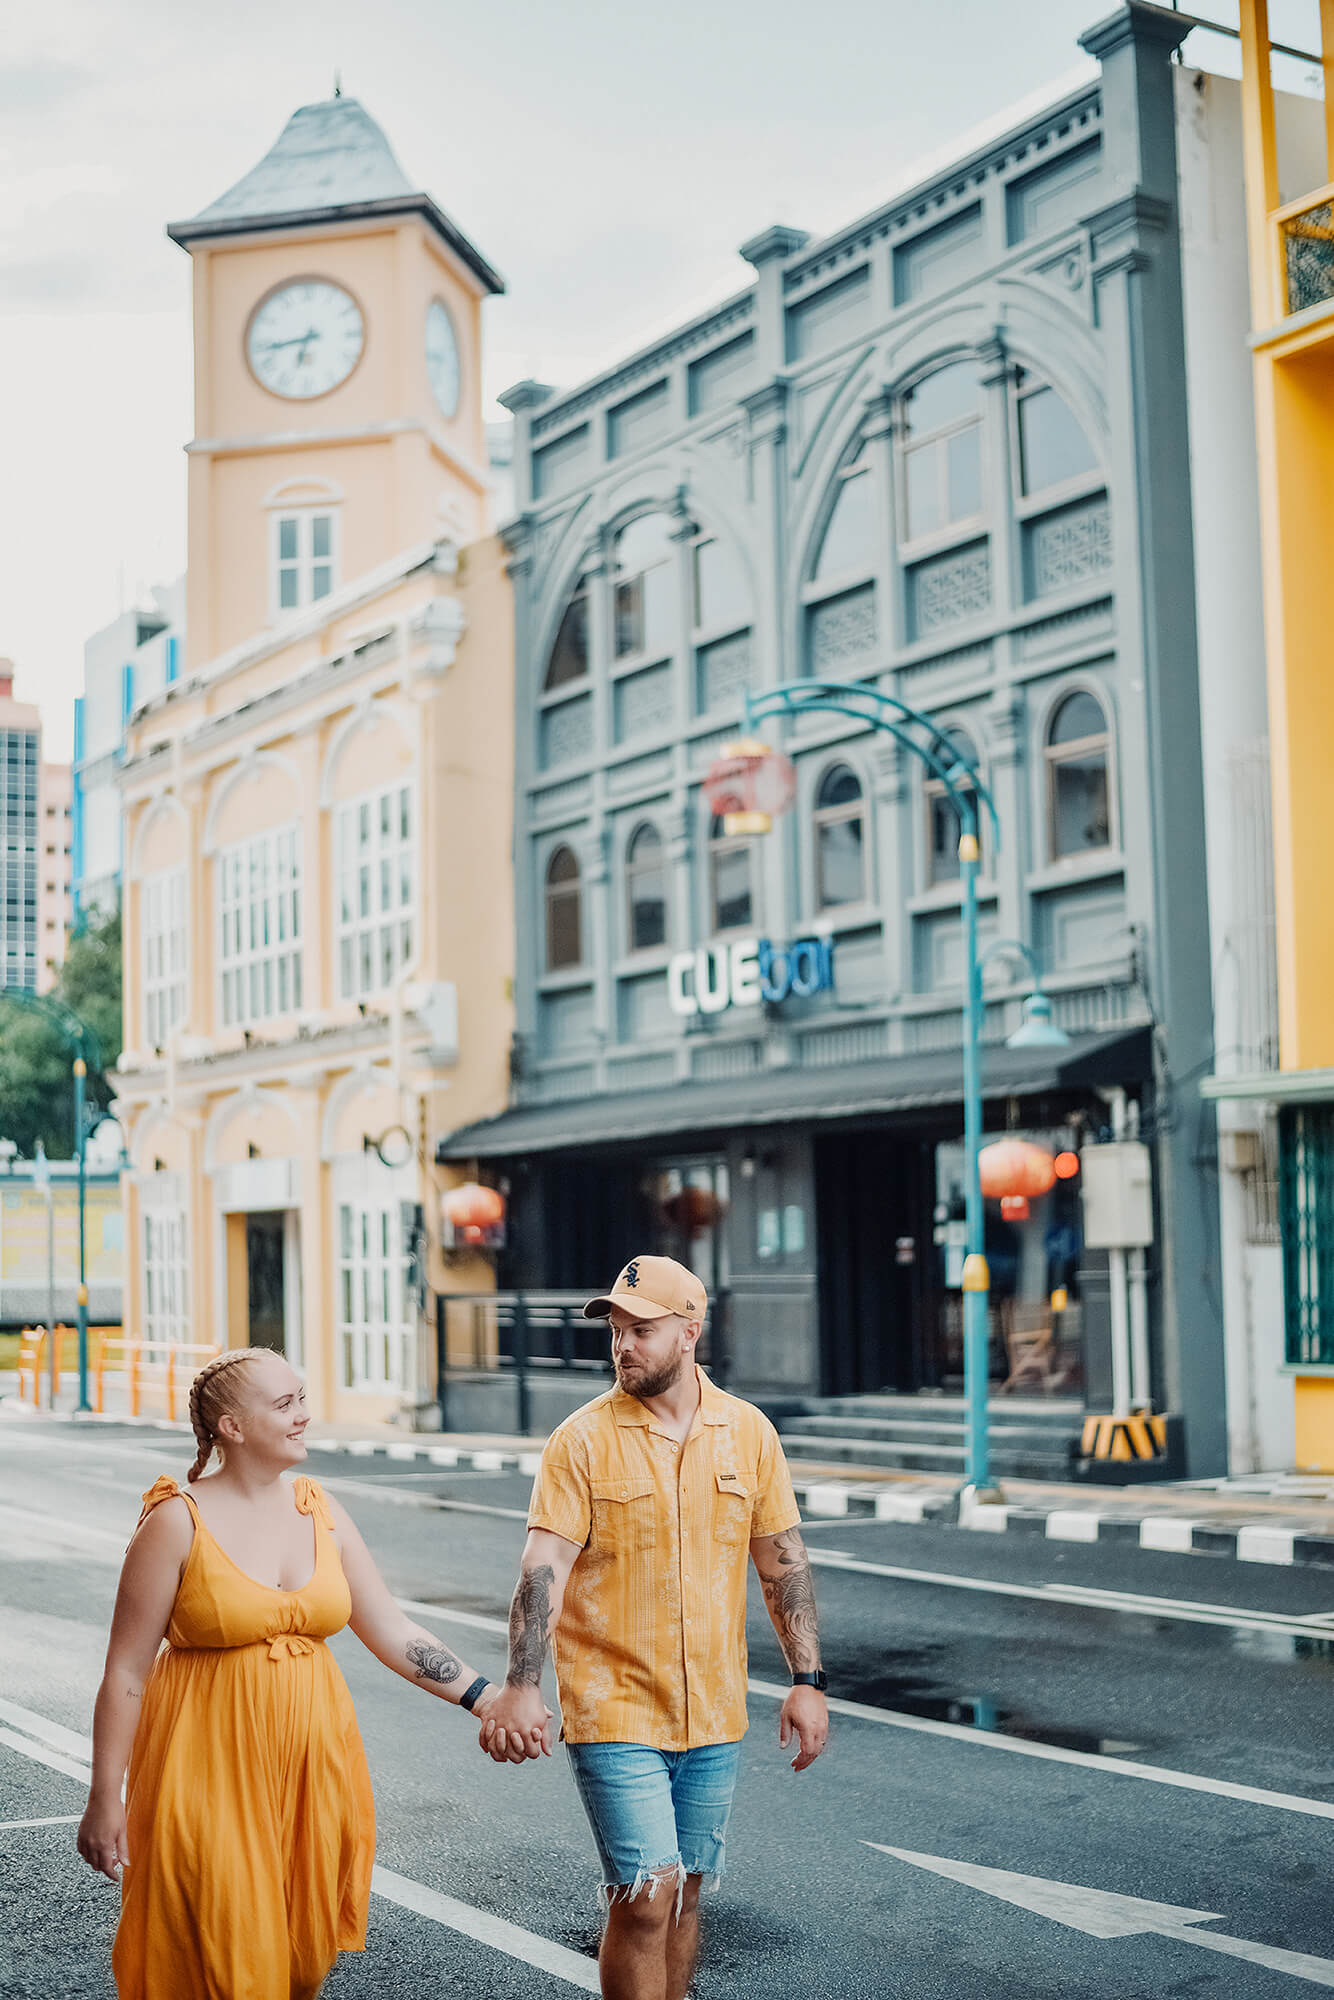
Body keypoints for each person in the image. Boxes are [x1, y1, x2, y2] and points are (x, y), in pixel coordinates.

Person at [76, 1345, 514, 2000]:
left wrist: (485, 1697)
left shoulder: (321, 1510)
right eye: (285, 1404)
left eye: (303, 1398)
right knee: (225, 1957)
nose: (305, 1414)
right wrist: (104, 1795)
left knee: (301, 1963)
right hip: (203, 1767)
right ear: (233, 1426)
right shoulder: (175, 1520)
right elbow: (126, 1674)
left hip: (313, 1774)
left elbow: (391, 1628)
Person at [479, 1255, 830, 2000]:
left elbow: (783, 1564)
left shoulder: (749, 1434)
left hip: (713, 1709)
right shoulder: (581, 1441)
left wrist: (807, 1681)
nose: (623, 1345)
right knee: (643, 1899)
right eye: (617, 1330)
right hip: (615, 1707)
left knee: (688, 1896)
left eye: (643, 1329)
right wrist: (520, 1685)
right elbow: (543, 1570)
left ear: (690, 1333)